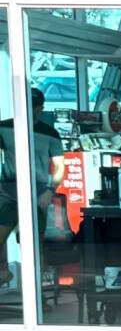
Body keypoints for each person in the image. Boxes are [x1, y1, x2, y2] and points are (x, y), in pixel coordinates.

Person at [0, 88, 67, 286]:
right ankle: (3, 272)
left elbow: (60, 166)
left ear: (40, 108)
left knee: (33, 246)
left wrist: (49, 191)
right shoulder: (4, 127)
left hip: (37, 193)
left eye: (33, 107)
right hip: (8, 191)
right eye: (25, 105)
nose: (28, 110)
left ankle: (37, 295)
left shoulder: (50, 133)